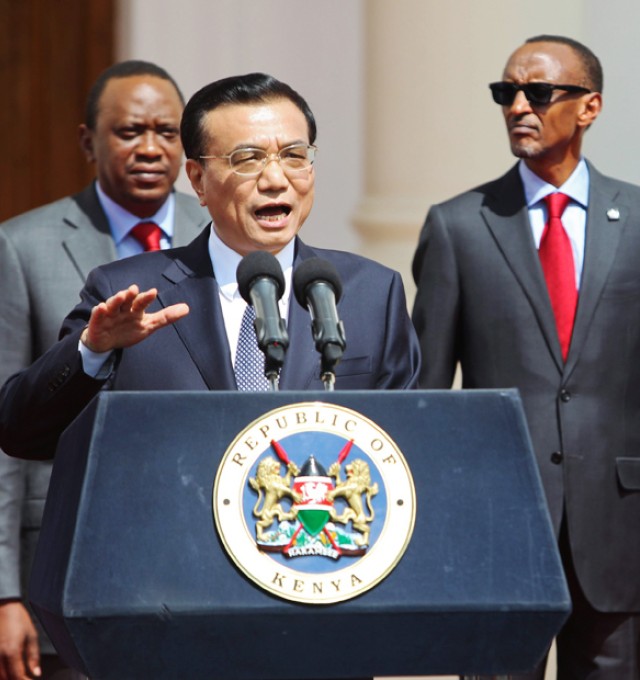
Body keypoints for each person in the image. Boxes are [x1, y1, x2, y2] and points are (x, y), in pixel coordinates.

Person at [412, 35, 640, 679]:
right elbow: (425, 405)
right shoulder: (458, 226)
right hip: (496, 529)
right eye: (506, 93)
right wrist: (431, 541)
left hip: (618, 532)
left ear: (589, 107)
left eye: (538, 93)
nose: (518, 106)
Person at [0, 72, 420, 461]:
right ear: (198, 180)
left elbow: (408, 445)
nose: (276, 179)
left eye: (294, 155)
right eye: (248, 159)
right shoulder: (129, 293)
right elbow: (21, 432)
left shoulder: (371, 293)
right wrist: (93, 351)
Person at [0, 60, 207, 680]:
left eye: (167, 132)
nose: (150, 148)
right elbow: (4, 428)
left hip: (198, 565)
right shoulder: (22, 246)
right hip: (64, 569)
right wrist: (4, 592)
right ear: (89, 141)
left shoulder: (221, 237)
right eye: (128, 132)